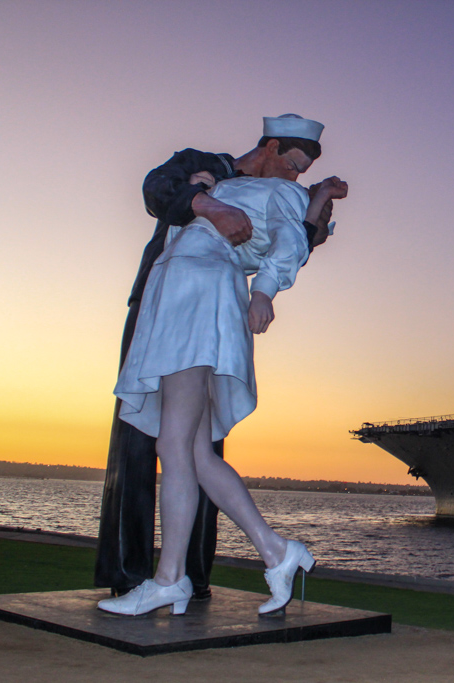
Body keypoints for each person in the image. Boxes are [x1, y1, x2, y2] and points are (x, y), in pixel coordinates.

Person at [98, 124, 348, 617]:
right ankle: (276, 551)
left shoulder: (280, 192)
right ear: (272, 147)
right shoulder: (218, 173)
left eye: (305, 174)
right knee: (191, 448)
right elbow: (161, 191)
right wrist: (205, 192)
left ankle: (170, 579)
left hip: (198, 289)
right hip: (179, 288)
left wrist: (264, 292)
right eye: (295, 164)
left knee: (174, 444)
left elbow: (292, 243)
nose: (296, 175)